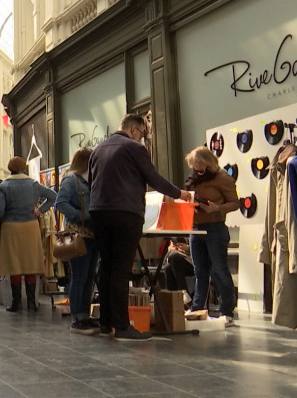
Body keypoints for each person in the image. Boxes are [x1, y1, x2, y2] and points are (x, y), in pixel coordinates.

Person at [89, 114, 192, 341]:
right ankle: (122, 325)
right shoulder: (134, 149)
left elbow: (91, 182)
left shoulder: (97, 149)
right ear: (134, 130)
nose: (142, 138)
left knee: (106, 267)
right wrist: (180, 193)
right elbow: (153, 178)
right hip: (125, 212)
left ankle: (106, 324)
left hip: (98, 211)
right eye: (143, 133)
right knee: (120, 268)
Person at [185, 146, 240, 327]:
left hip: (215, 228)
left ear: (207, 163)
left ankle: (227, 311)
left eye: (199, 165)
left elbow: (235, 203)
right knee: (200, 271)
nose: (196, 169)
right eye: (194, 166)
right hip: (196, 228)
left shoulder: (223, 177)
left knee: (219, 270)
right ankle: (197, 309)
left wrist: (218, 208)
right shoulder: (194, 179)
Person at [0, 156, 57, 312]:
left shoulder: (4, 186)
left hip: (11, 227)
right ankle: (32, 302)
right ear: (23, 167)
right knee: (30, 263)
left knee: (14, 264)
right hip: (30, 226)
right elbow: (53, 196)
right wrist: (39, 211)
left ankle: (16, 303)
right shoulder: (33, 185)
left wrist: (7, 215)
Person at [55, 147, 99, 335]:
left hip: (92, 234)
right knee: (79, 277)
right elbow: (60, 202)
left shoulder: (88, 181)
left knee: (88, 277)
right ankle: (77, 317)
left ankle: (84, 315)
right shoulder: (71, 180)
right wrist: (80, 216)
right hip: (78, 235)